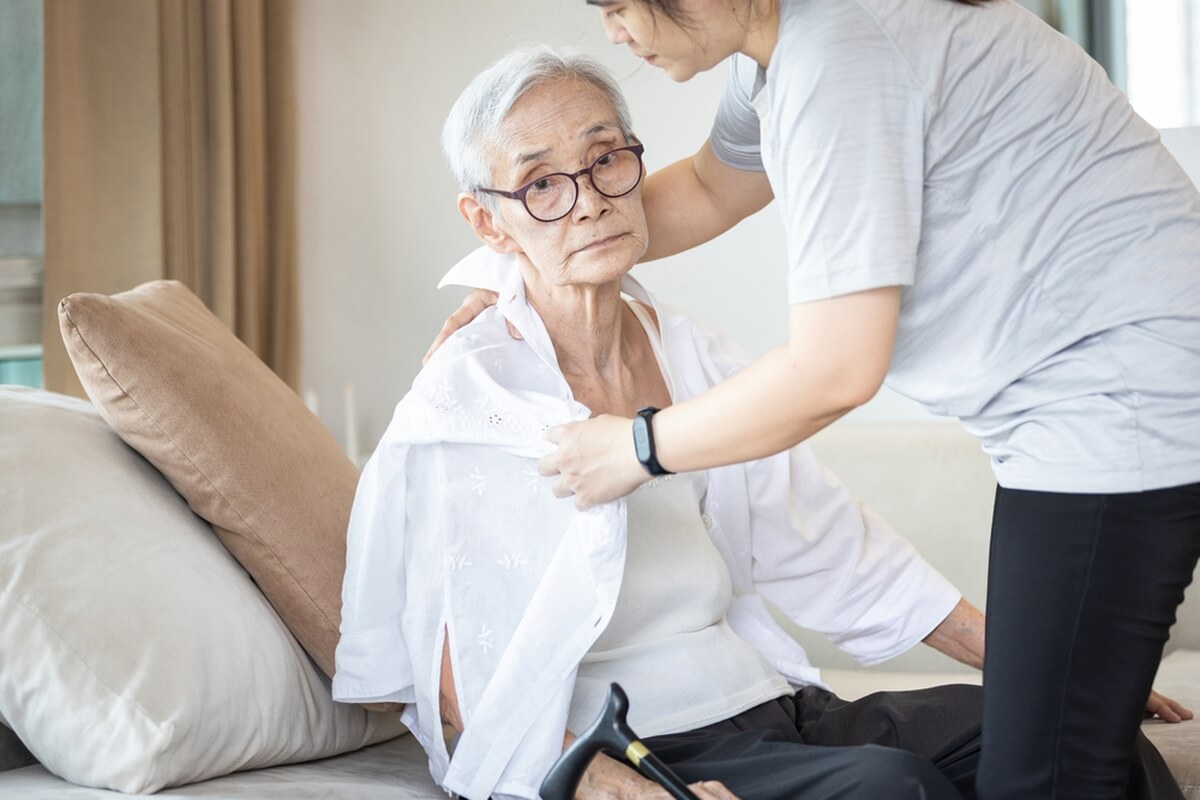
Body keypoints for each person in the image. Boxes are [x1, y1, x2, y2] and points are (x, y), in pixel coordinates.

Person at [339, 46, 1188, 800]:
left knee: (1082, 742)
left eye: (605, 160)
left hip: (770, 705)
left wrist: (1048, 673)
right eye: (541, 185)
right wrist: (595, 781)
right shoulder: (475, 397)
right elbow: (452, 666)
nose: (589, 201)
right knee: (891, 789)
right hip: (640, 744)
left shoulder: (690, 349)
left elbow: (830, 546)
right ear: (487, 220)